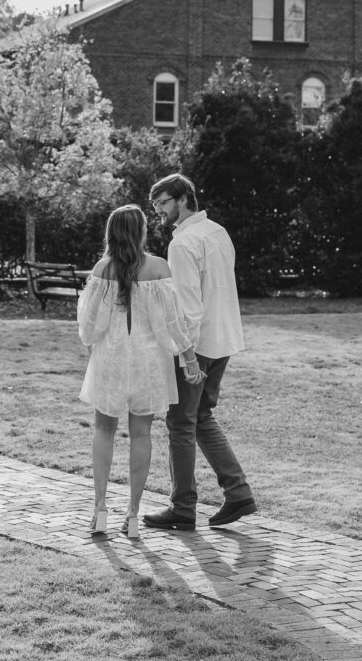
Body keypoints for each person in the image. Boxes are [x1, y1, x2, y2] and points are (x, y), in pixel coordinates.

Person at [78, 204, 203, 539]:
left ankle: (100, 509)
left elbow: (89, 328)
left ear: (111, 232)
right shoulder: (159, 267)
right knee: (142, 435)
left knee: (103, 432)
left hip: (111, 360)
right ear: (141, 231)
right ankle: (133, 516)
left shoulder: (103, 269)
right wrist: (189, 360)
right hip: (149, 362)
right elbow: (174, 325)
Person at [143, 174, 256, 531]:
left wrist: (186, 356)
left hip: (198, 343)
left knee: (180, 422)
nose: (158, 211)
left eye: (162, 203)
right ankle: (238, 493)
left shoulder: (184, 243)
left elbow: (188, 307)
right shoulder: (218, 232)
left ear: (182, 199)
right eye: (155, 205)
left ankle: (182, 508)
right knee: (201, 416)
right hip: (224, 338)